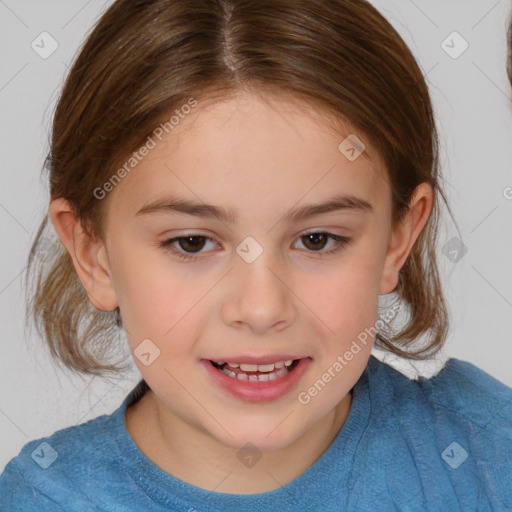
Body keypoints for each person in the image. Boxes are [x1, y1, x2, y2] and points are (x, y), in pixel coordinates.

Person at [1, 0, 511, 510]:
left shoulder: (489, 458)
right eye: (192, 243)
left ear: (398, 237)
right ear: (94, 255)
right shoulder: (40, 499)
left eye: (317, 239)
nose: (262, 309)